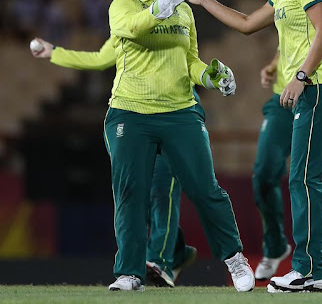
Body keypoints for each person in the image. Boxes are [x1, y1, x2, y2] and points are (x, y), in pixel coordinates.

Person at [189, 0, 322, 293]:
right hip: (316, 88)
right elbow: (246, 23)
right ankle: (318, 271)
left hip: (320, 87)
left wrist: (301, 76)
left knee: (304, 178)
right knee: (313, 179)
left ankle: (308, 269)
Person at [104, 0, 254, 292]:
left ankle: (235, 260)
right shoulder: (121, 7)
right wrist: (162, 5)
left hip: (180, 111)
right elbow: (133, 29)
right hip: (130, 112)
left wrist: (213, 76)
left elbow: (190, 63)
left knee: (206, 189)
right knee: (130, 193)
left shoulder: (185, 10)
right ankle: (129, 273)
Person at [30, 35, 199, 287]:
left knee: (163, 191)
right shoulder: (125, 29)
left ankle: (159, 262)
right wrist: (54, 52)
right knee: (138, 192)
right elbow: (99, 59)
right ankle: (177, 252)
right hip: (135, 122)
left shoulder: (176, 22)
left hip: (173, 118)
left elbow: (193, 65)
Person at [251, 0, 322, 283]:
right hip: (284, 98)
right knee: (268, 173)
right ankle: (284, 250)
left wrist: (302, 76)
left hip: (315, 89)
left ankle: (318, 263)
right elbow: (289, 31)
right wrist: (276, 65)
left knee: (312, 178)